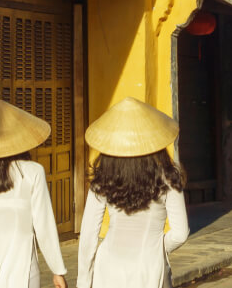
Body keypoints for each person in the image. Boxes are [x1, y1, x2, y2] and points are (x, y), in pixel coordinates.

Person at [76, 97, 189, 288]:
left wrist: (83, 281)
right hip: (148, 267)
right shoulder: (168, 178)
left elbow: (88, 234)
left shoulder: (103, 179)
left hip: (108, 266)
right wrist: (158, 247)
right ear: (155, 141)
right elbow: (179, 234)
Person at [0, 100, 68, 288]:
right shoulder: (32, 172)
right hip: (23, 270)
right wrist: (57, 270)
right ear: (19, 139)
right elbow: (44, 225)